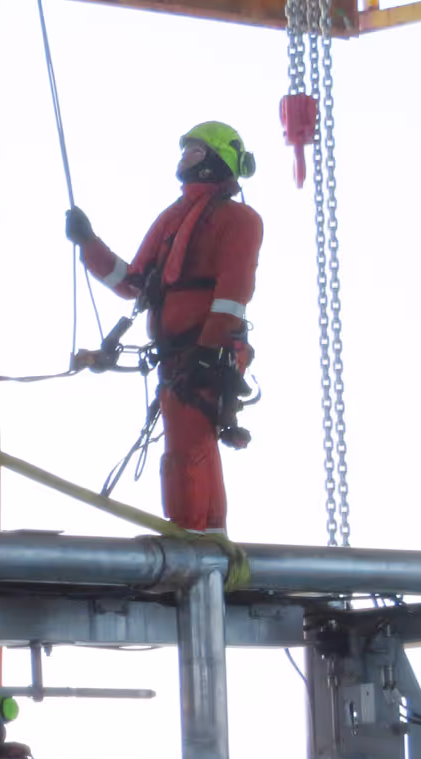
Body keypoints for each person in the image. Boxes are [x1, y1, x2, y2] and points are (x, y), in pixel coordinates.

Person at [66, 121, 263, 534]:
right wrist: (88, 242)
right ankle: (206, 539)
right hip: (176, 357)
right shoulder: (172, 219)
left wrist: (207, 353)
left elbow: (233, 293)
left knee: (188, 443)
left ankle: (194, 539)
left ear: (216, 160)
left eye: (195, 150)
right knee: (188, 439)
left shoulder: (238, 220)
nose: (185, 156)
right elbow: (132, 282)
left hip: (205, 353)